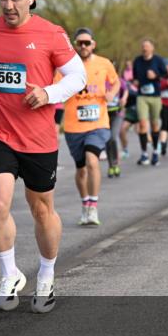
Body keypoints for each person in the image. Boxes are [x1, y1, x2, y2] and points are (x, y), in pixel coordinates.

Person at [0, 0, 85, 314]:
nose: (9, 5)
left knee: (41, 210)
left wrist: (48, 92)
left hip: (38, 136)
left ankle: (46, 275)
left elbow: (78, 76)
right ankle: (10, 273)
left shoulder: (51, 33)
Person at [61, 28, 118, 226]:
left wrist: (111, 93)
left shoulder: (104, 63)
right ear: (75, 45)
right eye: (80, 43)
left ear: (93, 44)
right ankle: (85, 203)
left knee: (92, 160)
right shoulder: (65, 66)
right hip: (73, 126)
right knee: (81, 170)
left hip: (98, 123)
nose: (83, 46)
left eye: (87, 42)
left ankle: (93, 207)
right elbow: (55, 89)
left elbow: (115, 82)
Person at [131, 39, 168, 166]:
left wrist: (156, 76)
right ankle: (144, 153)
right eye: (143, 47)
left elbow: (166, 75)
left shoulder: (158, 60)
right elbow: (134, 77)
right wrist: (135, 81)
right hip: (142, 96)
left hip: (155, 96)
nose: (144, 49)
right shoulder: (137, 61)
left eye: (147, 47)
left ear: (152, 48)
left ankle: (155, 151)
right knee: (142, 124)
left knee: (155, 124)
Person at [104, 71, 128, 178]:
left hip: (117, 113)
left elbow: (126, 90)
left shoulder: (118, 80)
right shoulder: (101, 81)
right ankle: (111, 166)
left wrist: (124, 98)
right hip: (104, 115)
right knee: (107, 140)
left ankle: (116, 163)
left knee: (113, 137)